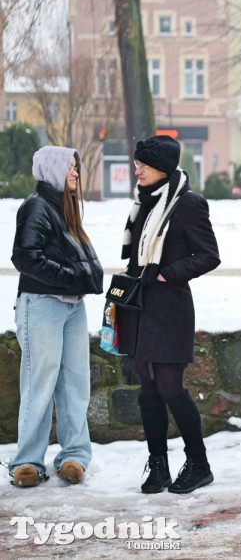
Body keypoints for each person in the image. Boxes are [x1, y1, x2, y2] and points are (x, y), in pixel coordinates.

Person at [116, 135, 220, 494]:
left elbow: (209, 255)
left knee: (170, 387)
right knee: (147, 390)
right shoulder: (143, 204)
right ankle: (158, 466)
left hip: (170, 308)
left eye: (143, 164)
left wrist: (166, 273)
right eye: (137, 163)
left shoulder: (188, 204)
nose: (137, 170)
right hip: (140, 308)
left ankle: (199, 463)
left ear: (162, 166)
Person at [9, 146, 104, 487]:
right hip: (42, 304)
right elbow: (26, 257)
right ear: (53, 170)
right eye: (70, 167)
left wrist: (83, 281)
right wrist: (72, 277)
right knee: (40, 381)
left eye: (77, 167)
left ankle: (74, 456)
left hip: (72, 307)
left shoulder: (65, 207)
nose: (76, 173)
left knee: (75, 381)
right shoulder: (37, 206)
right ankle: (28, 462)